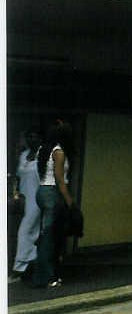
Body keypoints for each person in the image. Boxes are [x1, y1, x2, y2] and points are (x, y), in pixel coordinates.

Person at [33, 120, 74, 288]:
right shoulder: (59, 152)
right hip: (52, 193)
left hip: (42, 191)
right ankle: (47, 277)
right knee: (49, 236)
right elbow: (59, 179)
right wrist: (70, 201)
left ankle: (47, 273)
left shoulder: (43, 149)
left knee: (47, 233)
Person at [10, 129, 42, 283]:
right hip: (23, 199)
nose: (31, 138)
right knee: (30, 233)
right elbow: (16, 177)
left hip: (37, 200)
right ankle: (33, 262)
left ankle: (19, 269)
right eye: (29, 135)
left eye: (34, 135)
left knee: (25, 232)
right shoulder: (23, 155)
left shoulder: (43, 155)